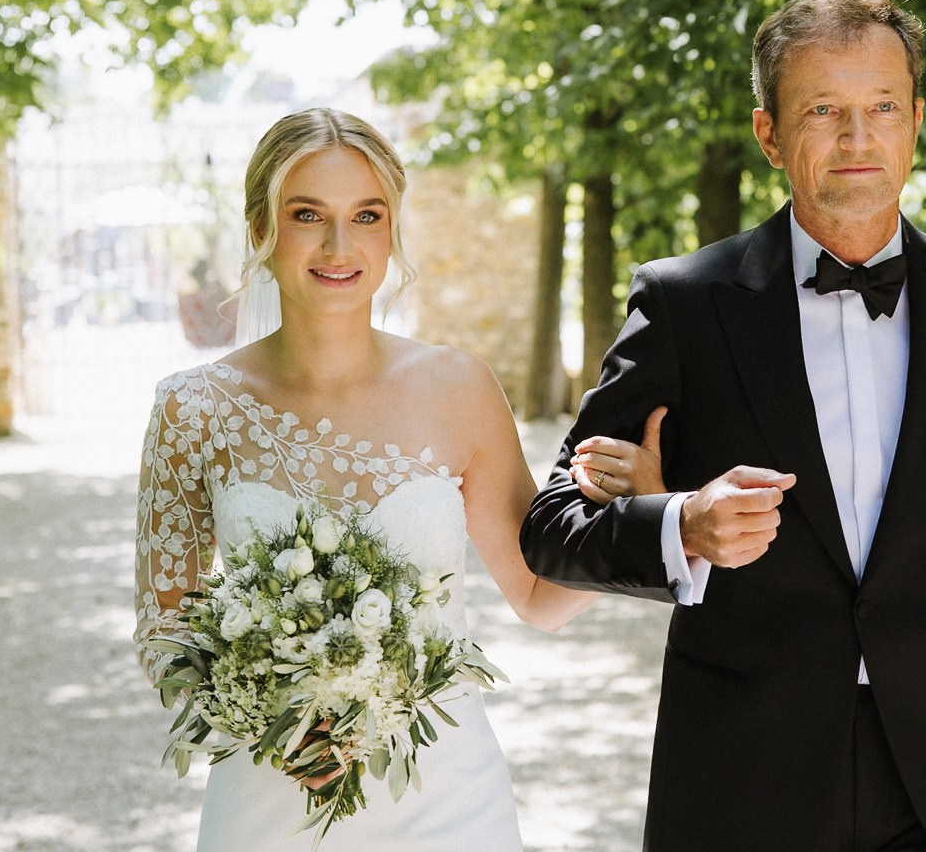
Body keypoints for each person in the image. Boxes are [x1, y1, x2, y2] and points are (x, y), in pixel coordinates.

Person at [522, 0, 926, 852]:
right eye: (823, 110)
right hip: (742, 771)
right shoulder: (684, 304)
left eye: (881, 106)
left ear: (915, 122)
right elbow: (552, 529)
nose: (857, 138)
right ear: (770, 133)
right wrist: (682, 523)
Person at [133, 108, 662, 852]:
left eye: (367, 215)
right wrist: (274, 721)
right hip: (269, 797)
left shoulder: (458, 388)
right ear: (260, 228)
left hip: (448, 800)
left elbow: (539, 598)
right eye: (307, 214)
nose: (339, 245)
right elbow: (166, 632)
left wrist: (640, 511)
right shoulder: (194, 408)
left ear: (391, 230)